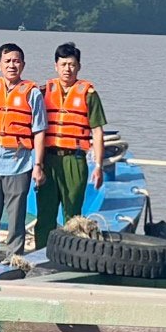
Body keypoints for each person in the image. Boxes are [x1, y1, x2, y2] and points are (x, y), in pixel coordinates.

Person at [0, 43, 45, 265]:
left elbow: (39, 130)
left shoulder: (32, 94)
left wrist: (38, 165)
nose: (12, 65)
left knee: (16, 215)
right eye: (7, 61)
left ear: (23, 64)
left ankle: (14, 258)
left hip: (19, 162)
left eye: (16, 61)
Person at [35, 42, 107, 248]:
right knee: (45, 211)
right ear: (56, 66)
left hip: (74, 158)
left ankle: (69, 251)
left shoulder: (88, 94)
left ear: (79, 67)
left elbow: (97, 131)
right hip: (48, 158)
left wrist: (99, 166)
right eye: (64, 64)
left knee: (73, 211)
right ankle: (41, 252)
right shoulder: (43, 91)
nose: (68, 69)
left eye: (72, 64)